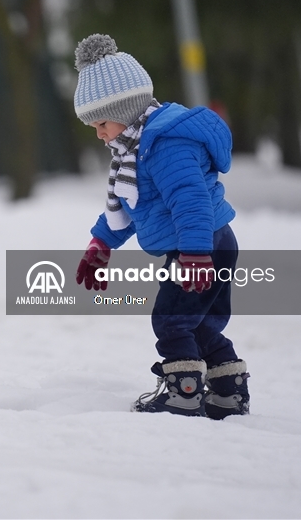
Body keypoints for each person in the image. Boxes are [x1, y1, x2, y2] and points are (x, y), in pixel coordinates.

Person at [71, 34, 249, 419]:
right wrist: (101, 242)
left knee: (169, 320)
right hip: (205, 244)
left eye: (102, 122)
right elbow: (138, 206)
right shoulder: (135, 149)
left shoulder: (164, 145)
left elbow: (191, 201)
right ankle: (227, 389)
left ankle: (183, 393)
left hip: (202, 245)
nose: (99, 134)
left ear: (127, 107)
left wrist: (196, 254)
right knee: (196, 325)